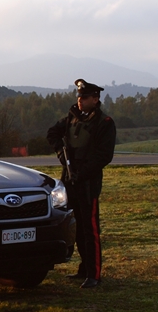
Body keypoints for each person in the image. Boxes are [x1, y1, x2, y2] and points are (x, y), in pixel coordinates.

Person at [46, 79, 116, 289]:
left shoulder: (104, 123)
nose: (80, 100)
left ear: (95, 99)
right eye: (79, 96)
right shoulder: (72, 117)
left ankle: (94, 274)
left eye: (84, 97)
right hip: (70, 180)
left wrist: (82, 173)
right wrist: (61, 154)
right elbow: (52, 133)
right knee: (77, 228)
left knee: (90, 229)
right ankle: (84, 269)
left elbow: (103, 156)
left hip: (88, 183)